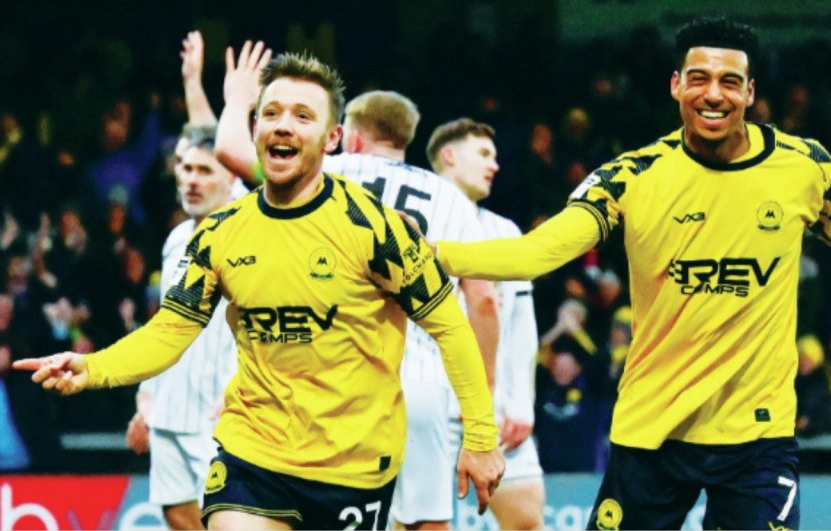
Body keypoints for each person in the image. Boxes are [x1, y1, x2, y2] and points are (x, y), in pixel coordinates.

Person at [420, 17, 831, 530]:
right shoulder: (632, 177)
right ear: (676, 85)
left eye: (729, 81)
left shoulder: (803, 167)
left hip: (757, 441)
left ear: (750, 92)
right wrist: (428, 256)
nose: (713, 94)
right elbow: (536, 253)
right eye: (698, 78)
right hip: (654, 436)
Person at [15, 52, 503, 531]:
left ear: (334, 138)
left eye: (302, 115)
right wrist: (93, 367)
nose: (283, 125)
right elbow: (168, 332)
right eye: (270, 112)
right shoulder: (220, 233)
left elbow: (451, 327)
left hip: (351, 468)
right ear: (255, 131)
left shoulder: (374, 227)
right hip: (252, 456)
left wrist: (481, 436)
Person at [214, 69, 501, 530]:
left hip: (340, 386)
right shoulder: (449, 196)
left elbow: (230, 151)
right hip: (428, 380)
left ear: (349, 136)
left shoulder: (324, 173)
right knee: (427, 522)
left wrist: (238, 100)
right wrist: (484, 393)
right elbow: (483, 300)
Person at [126, 38, 243, 530]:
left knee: (229, 519)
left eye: (204, 170)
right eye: (184, 169)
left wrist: (207, 92)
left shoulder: (247, 229)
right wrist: (146, 397)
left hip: (222, 408)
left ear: (230, 179)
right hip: (171, 405)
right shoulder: (176, 238)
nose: (191, 179)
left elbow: (223, 143)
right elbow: (164, 322)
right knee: (177, 515)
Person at [427, 118, 545, 530]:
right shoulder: (413, 223)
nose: (494, 165)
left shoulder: (504, 231)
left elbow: (521, 329)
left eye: (495, 157)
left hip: (495, 412)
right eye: (483, 154)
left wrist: (521, 404)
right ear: (449, 155)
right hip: (427, 403)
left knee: (527, 520)